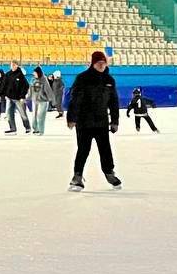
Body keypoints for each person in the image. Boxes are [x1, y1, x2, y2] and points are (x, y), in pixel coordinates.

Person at [67, 51, 121, 192]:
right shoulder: (82, 78)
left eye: (104, 63)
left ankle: (109, 173)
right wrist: (72, 118)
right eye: (99, 63)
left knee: (105, 150)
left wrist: (115, 121)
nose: (102, 65)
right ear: (93, 63)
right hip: (84, 122)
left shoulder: (109, 80)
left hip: (102, 122)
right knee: (83, 150)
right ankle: (77, 176)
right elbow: (75, 99)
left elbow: (114, 102)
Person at [2, 61, 31, 135]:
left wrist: (22, 96)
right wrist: (3, 94)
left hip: (18, 98)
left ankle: (28, 128)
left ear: (17, 66)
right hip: (9, 97)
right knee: (9, 114)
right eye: (11, 65)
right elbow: (4, 84)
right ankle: (13, 129)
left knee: (23, 114)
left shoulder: (20, 75)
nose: (12, 66)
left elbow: (25, 86)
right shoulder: (8, 74)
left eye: (14, 65)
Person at [31, 66, 54, 135]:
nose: (34, 75)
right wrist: (27, 96)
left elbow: (48, 90)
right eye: (33, 74)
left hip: (43, 101)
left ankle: (41, 131)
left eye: (35, 74)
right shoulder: (33, 80)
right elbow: (30, 89)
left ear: (38, 73)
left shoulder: (44, 80)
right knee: (34, 116)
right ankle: (35, 129)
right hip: (35, 100)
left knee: (40, 116)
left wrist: (51, 99)